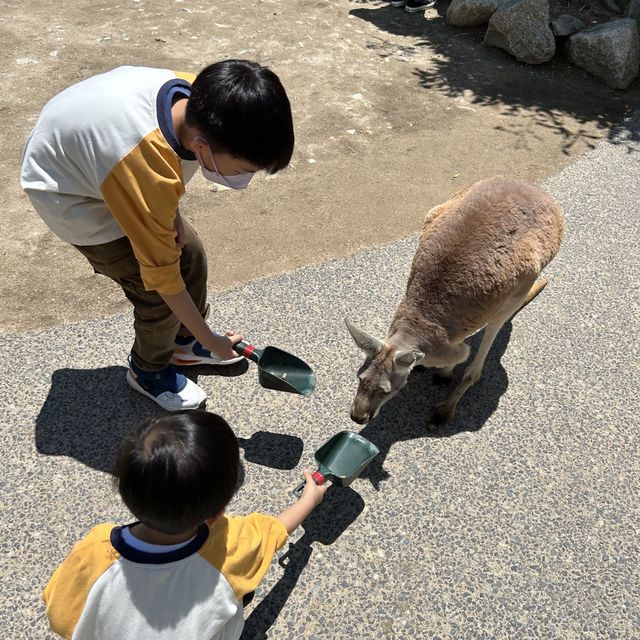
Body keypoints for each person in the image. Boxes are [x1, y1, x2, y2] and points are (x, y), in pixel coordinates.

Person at [20, 60, 295, 411]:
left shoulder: (198, 97)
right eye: (242, 170)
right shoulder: (146, 168)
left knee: (190, 252)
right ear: (202, 145)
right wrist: (209, 337)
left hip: (98, 155)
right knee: (153, 295)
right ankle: (147, 371)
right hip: (69, 192)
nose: (245, 181)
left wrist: (173, 213)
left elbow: (159, 178)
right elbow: (162, 279)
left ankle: (182, 344)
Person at [42, 410, 327, 639]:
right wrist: (308, 501)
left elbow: (59, 616)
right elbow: (274, 531)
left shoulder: (97, 546)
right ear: (216, 514)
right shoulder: (228, 548)